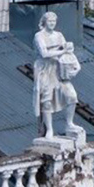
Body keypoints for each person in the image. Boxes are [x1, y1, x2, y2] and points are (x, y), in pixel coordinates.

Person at [33, 11, 82, 140]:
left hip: (59, 69)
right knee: (46, 101)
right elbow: (44, 54)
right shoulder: (39, 36)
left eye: (54, 22)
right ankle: (49, 129)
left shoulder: (59, 35)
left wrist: (76, 66)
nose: (52, 24)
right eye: (49, 21)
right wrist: (63, 50)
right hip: (45, 70)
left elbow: (68, 52)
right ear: (44, 22)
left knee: (71, 96)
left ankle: (69, 123)